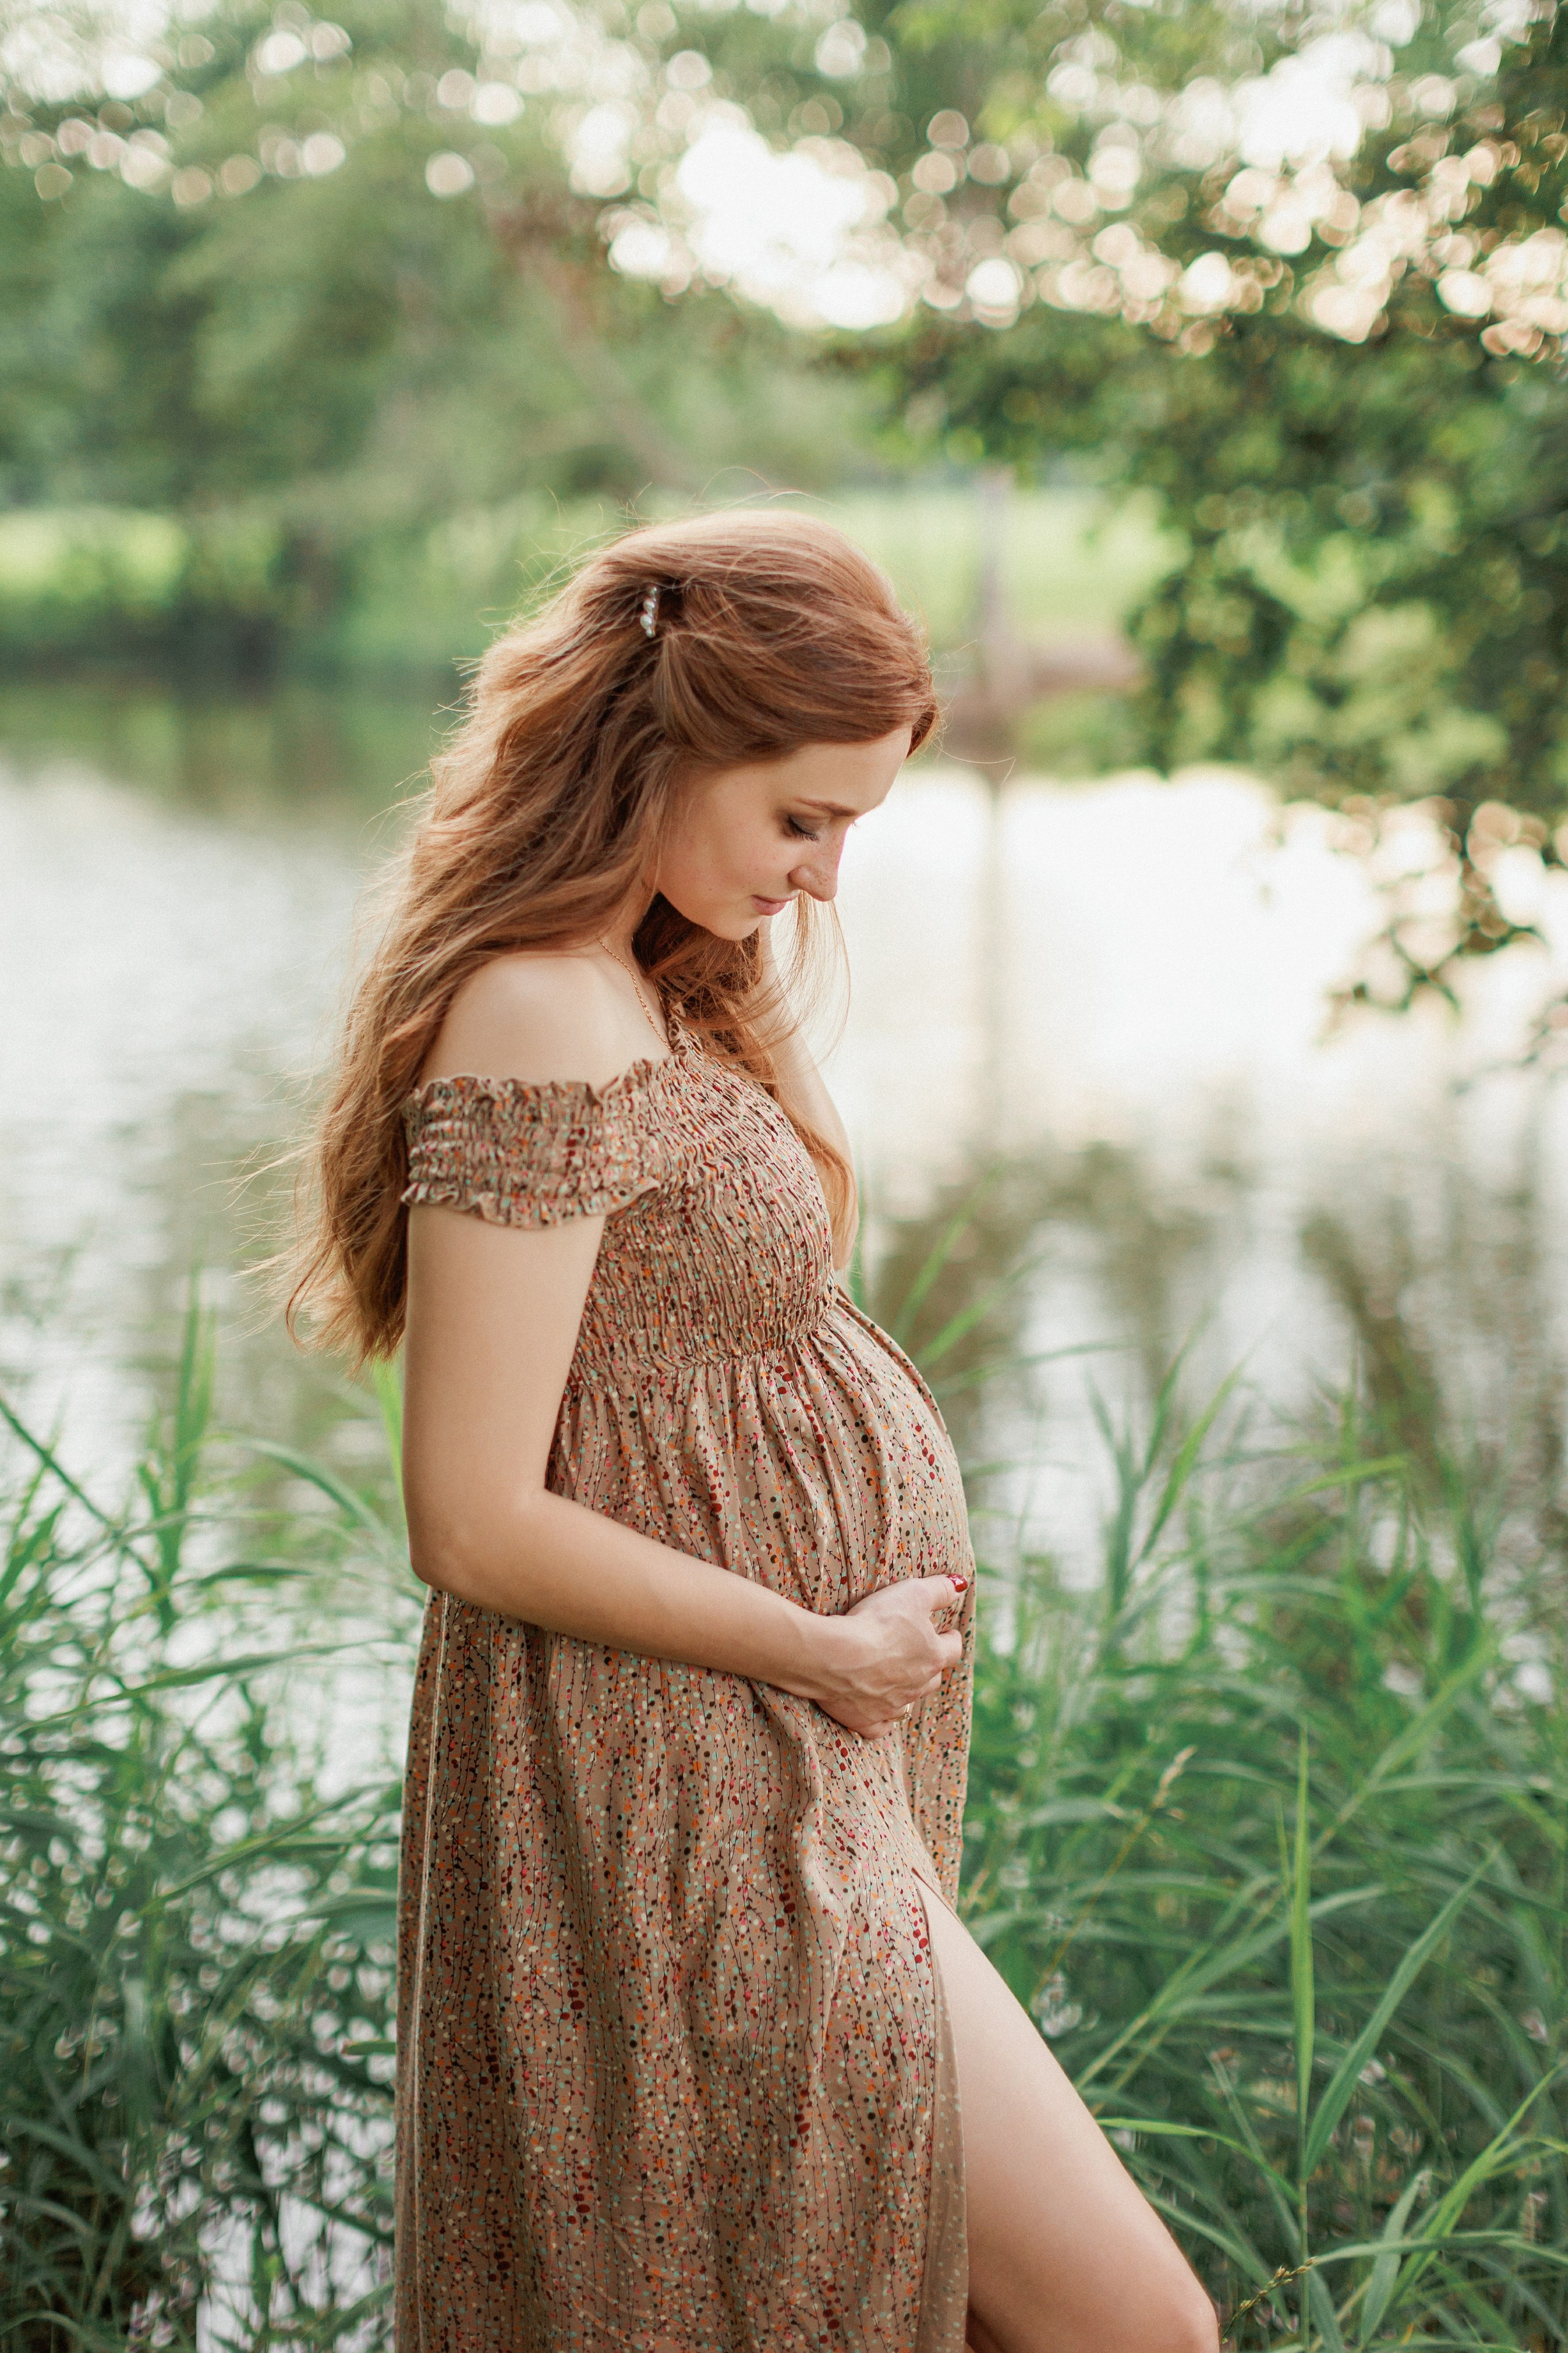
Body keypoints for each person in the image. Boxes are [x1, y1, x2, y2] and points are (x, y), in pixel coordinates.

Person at [290, 510, 1219, 2353]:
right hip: (679, 1788)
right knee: (1134, 2326)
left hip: (787, 1764)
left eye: (854, 828)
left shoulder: (662, 982)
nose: (825, 877)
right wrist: (822, 1645)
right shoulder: (543, 1003)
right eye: (802, 816)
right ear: (662, 744)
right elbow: (469, 1518)